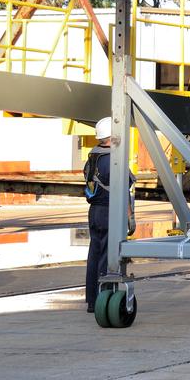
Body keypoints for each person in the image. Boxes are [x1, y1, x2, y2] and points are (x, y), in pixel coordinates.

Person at [84, 117, 133, 314]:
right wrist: (130, 216)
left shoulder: (92, 158)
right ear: (112, 136)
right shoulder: (113, 159)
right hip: (109, 210)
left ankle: (91, 300)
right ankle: (103, 298)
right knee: (107, 255)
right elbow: (124, 186)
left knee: (94, 255)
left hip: (94, 211)